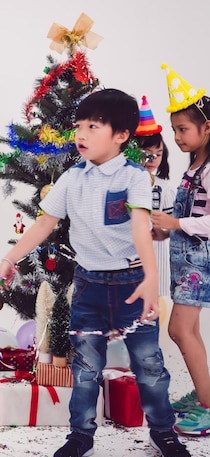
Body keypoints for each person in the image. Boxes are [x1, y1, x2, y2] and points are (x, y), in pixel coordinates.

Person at [0, 89, 191, 457]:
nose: (81, 133)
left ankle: (163, 431)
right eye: (79, 126)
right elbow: (45, 223)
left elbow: (138, 226)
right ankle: (80, 435)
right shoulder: (71, 178)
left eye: (93, 126)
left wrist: (151, 277)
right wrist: (9, 259)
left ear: (121, 136)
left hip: (133, 284)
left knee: (148, 365)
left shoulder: (134, 178)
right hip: (88, 287)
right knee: (84, 368)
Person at [151, 64, 210, 436]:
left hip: (198, 264)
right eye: (174, 130)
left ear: (207, 128)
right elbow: (186, 216)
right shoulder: (194, 168)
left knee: (178, 329)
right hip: (183, 259)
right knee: (190, 329)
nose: (177, 137)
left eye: (183, 129)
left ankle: (208, 406)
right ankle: (205, 393)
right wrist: (163, 231)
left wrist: (175, 224)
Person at [135, 96, 175, 302]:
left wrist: (162, 231)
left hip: (156, 255)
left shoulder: (163, 187)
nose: (153, 160)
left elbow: (171, 221)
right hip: (130, 260)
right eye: (147, 154)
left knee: (153, 310)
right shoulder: (126, 182)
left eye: (158, 154)